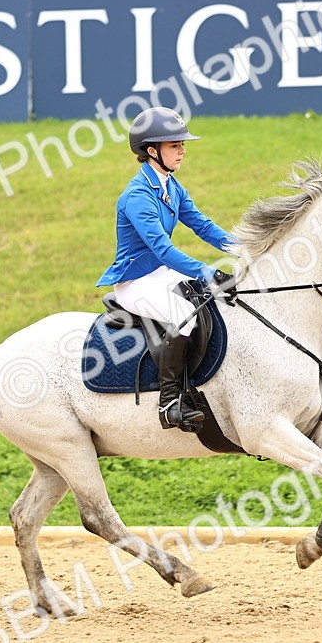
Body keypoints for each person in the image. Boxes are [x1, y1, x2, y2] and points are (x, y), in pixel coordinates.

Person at [96, 107, 237, 432]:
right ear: (151, 151)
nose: (182, 150)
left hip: (160, 273)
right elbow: (162, 248)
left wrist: (243, 248)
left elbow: (201, 225)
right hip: (136, 281)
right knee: (185, 313)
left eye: (181, 144)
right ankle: (170, 402)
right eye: (175, 145)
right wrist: (205, 270)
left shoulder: (172, 187)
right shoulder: (137, 195)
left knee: (214, 298)